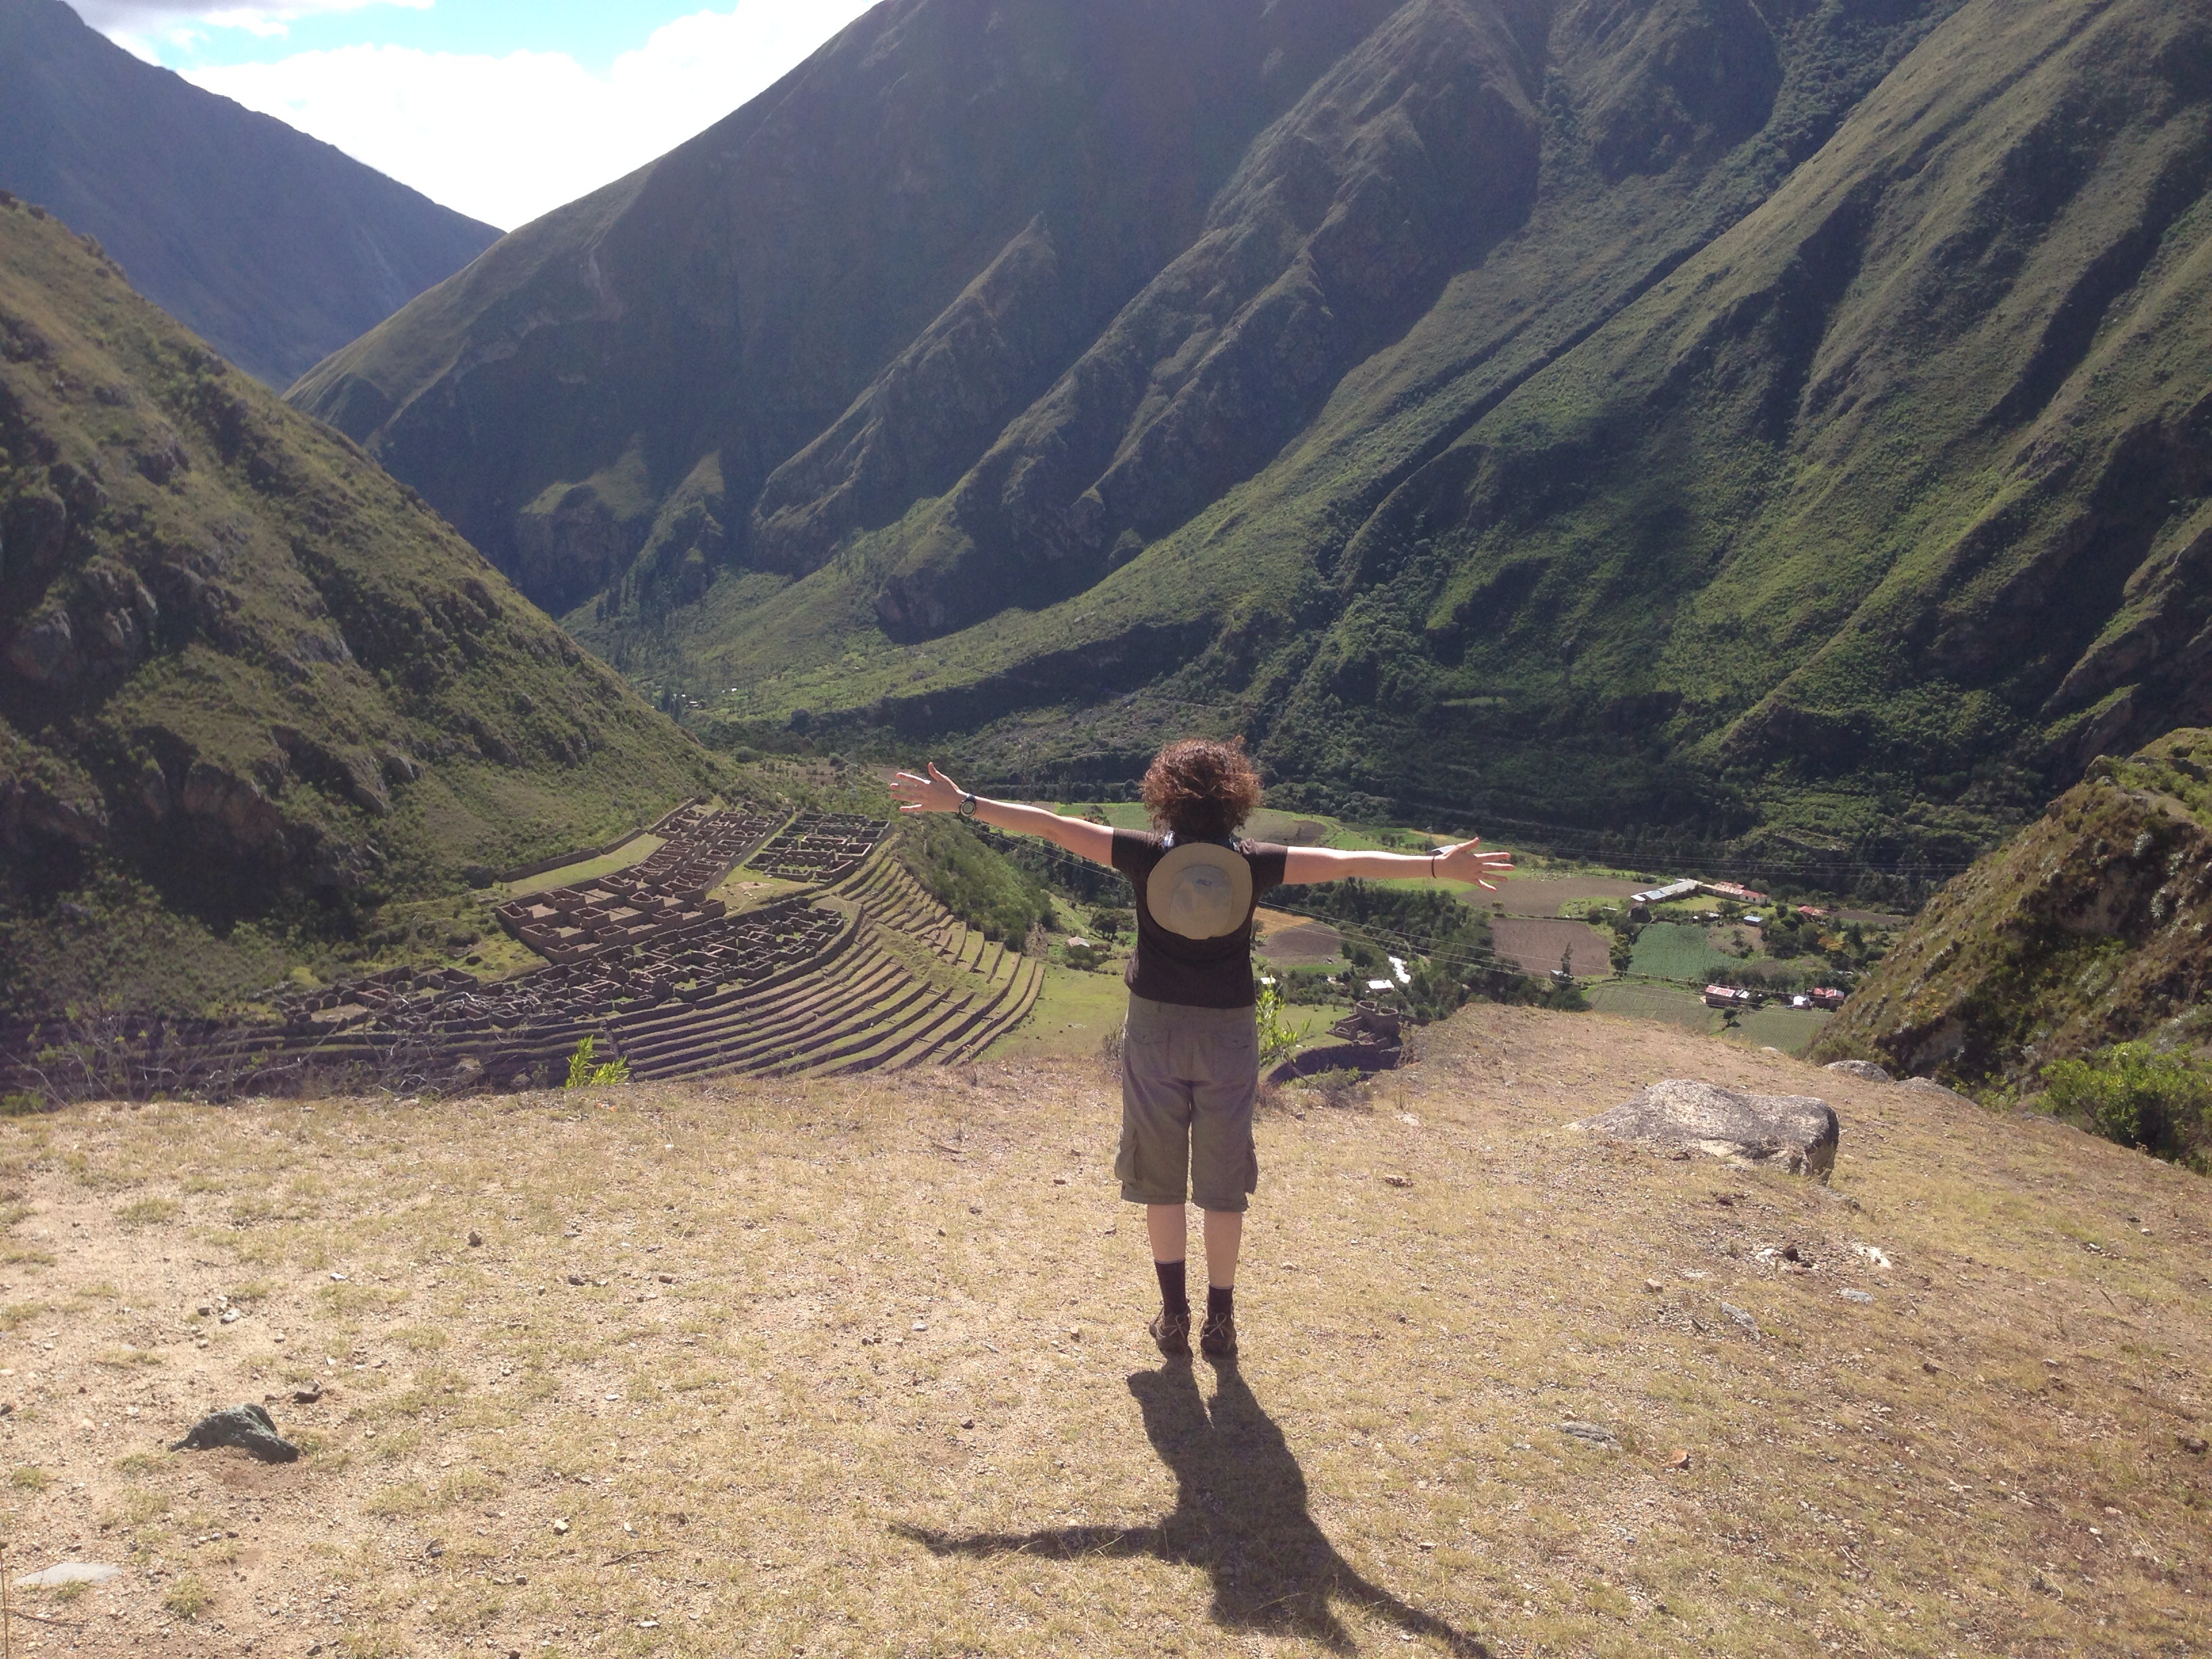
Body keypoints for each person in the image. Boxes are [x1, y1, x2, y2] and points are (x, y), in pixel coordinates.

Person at [890, 739, 1512, 1361]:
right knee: (1222, 1182)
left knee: (1159, 1178)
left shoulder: (1142, 854)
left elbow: (1050, 826)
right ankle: (1220, 1321)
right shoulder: (1256, 862)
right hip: (1229, 1032)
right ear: (1238, 799)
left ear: (1164, 796)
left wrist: (963, 802)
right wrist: (1436, 868)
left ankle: (1174, 1316)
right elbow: (1347, 862)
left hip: (1155, 1028)